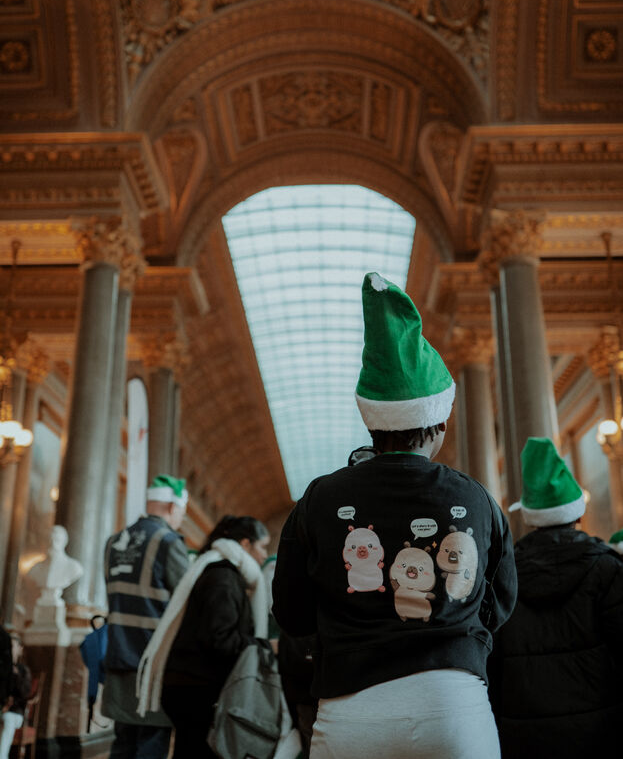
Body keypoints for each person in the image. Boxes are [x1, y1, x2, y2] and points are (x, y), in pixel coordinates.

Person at [272, 271, 517, 759]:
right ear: (440, 422)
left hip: (349, 709)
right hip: (455, 704)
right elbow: (501, 599)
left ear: (372, 422)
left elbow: (291, 612)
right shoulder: (475, 498)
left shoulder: (318, 498)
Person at [488, 436, 623, 758]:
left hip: (524, 736)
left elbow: (492, 663)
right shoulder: (607, 570)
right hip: (601, 731)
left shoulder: (503, 577)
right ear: (578, 514)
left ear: (529, 516)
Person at [136, 514, 271, 758]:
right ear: (245, 544)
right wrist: (265, 645)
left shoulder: (219, 572)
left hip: (187, 683)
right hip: (197, 688)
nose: (264, 555)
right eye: (262, 546)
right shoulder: (224, 578)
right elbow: (219, 639)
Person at [102, 474, 190, 759]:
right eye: (182, 512)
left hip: (118, 657)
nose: (181, 519)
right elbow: (187, 602)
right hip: (153, 665)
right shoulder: (168, 542)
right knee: (151, 745)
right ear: (172, 507)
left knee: (123, 744)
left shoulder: (114, 542)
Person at [0, 632, 32, 759]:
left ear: (20, 649)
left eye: (12, 646)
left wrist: (16, 675)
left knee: (8, 719)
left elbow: (25, 694)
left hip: (14, 712)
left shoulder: (23, 670)